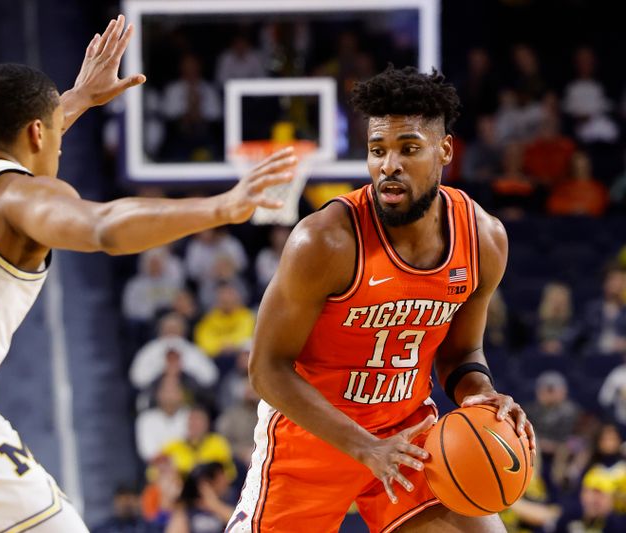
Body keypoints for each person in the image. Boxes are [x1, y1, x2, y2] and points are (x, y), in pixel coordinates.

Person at [0, 15, 296, 533]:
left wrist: (73, 99)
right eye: (55, 133)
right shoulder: (18, 193)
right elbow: (103, 227)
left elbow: (19, 140)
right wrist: (219, 207)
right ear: (35, 132)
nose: (60, 145)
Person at [227, 66, 536, 533]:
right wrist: (364, 447)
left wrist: (483, 397)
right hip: (312, 444)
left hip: (407, 438)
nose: (389, 165)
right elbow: (266, 369)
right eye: (378, 150)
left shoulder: (483, 239)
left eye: (408, 148)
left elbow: (460, 354)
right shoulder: (324, 242)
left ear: (444, 151)